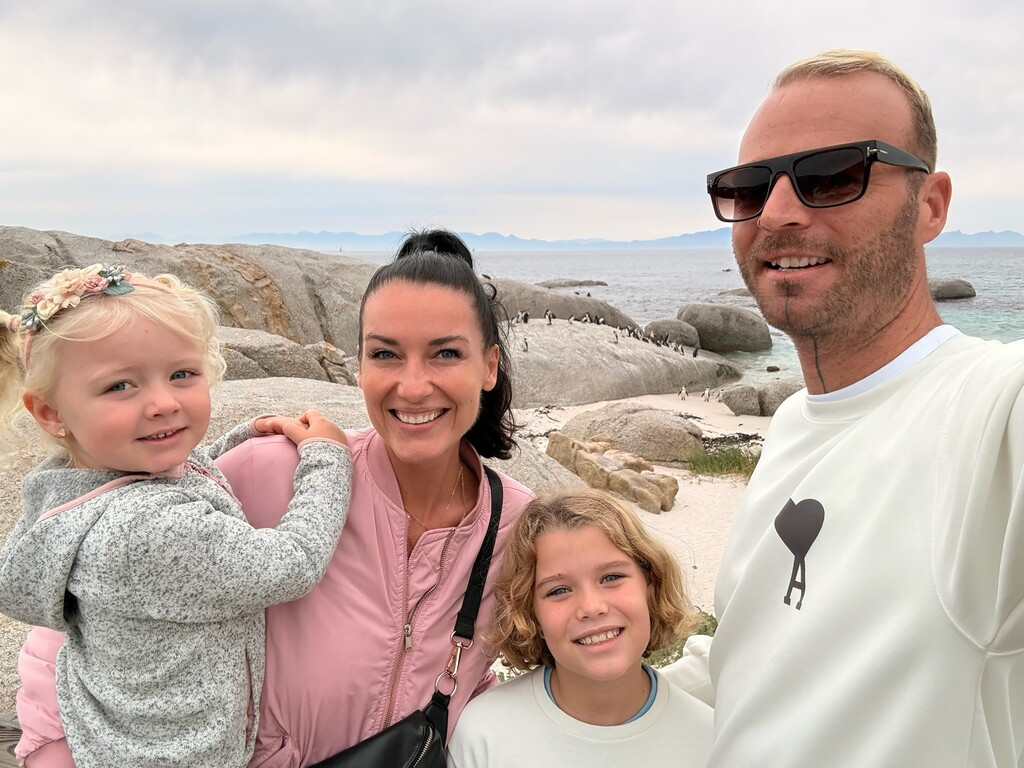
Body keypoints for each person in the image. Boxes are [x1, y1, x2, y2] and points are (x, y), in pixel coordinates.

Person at [13, 230, 534, 767]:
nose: (414, 385)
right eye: (386, 354)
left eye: (446, 353)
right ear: (359, 364)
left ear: (489, 366)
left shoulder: (517, 526)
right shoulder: (275, 471)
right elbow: (87, 622)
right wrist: (52, 755)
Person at [670, 49, 1024, 766]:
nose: (777, 213)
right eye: (747, 188)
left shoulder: (989, 411)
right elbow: (757, 654)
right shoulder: (799, 424)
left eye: (832, 176)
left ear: (930, 206)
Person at [0, 265, 353, 767]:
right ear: (51, 412)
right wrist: (328, 459)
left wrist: (242, 436)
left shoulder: (72, 479)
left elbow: (173, 472)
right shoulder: (146, 533)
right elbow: (292, 563)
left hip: (114, 734)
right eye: (121, 386)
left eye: (182, 375)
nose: (163, 403)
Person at [447, 490, 713, 767]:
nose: (591, 607)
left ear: (651, 585)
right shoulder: (483, 735)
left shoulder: (711, 738)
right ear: (531, 615)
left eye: (611, 577)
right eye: (558, 590)